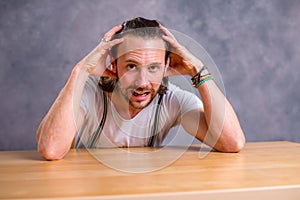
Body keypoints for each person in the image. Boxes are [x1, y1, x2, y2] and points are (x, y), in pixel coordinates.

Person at [36, 17, 245, 160]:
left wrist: (198, 70)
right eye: (131, 66)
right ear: (113, 63)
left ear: (166, 66)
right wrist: (80, 71)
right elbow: (51, 149)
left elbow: (232, 142)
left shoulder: (172, 101)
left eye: (153, 67)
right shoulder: (89, 94)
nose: (142, 82)